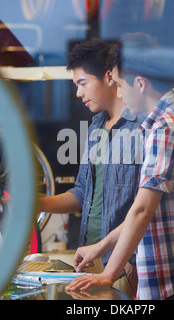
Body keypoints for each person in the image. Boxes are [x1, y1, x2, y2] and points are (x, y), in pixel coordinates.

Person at [65, 34, 174, 300]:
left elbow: (142, 210)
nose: (118, 93)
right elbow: (147, 209)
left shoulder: (169, 125)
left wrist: (108, 274)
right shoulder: (171, 119)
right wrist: (101, 246)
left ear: (140, 84)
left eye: (120, 85)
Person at [38, 39, 144, 297]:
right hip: (91, 259)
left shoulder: (142, 127)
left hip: (127, 266)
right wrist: (39, 203)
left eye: (82, 84)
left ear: (109, 78)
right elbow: (83, 193)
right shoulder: (96, 127)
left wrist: (132, 261)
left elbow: (147, 206)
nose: (78, 93)